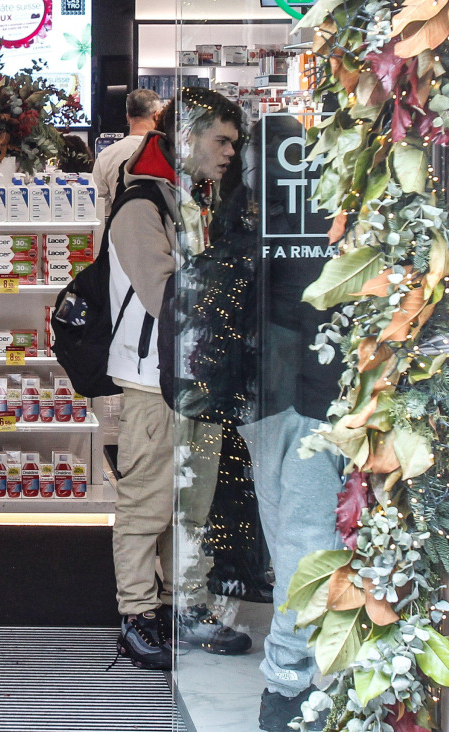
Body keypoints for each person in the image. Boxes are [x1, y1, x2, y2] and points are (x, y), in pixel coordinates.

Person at [106, 88, 250, 670]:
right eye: (222, 140)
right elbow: (166, 295)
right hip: (154, 381)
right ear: (187, 136)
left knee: (192, 503)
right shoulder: (142, 204)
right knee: (146, 506)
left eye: (235, 143)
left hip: (194, 376)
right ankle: (138, 615)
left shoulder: (188, 198)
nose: (230, 153)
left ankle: (182, 604)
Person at [237, 114, 346, 732]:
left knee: (294, 542)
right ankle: (289, 680)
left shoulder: (251, 218)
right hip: (310, 398)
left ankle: (287, 681)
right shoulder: (326, 217)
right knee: (302, 542)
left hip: (279, 398)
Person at [92, 88, 162, 218]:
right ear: (156, 116)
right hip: (159, 226)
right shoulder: (165, 152)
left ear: (128, 117)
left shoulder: (106, 155)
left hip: (119, 225)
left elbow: (101, 206)